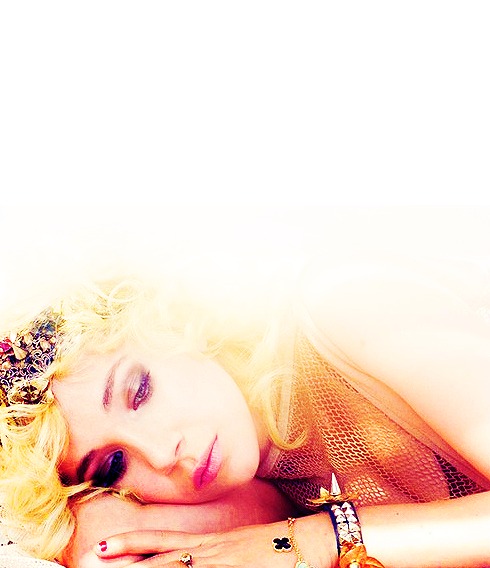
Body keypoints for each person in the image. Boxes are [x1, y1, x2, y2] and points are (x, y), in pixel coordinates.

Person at [1, 253, 490, 568]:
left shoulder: (343, 305)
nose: (161, 454)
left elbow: (285, 542)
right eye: (113, 464)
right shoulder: (258, 477)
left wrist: (316, 540)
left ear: (169, 324)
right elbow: (104, 546)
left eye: (140, 389)